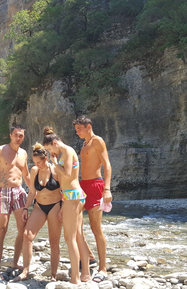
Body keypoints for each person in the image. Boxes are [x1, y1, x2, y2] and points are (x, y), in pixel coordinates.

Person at [43, 127, 91, 284]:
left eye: (50, 148)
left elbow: (68, 173)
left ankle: (75, 278)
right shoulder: (64, 153)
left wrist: (55, 163)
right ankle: (86, 274)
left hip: (72, 196)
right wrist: (55, 164)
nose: (51, 152)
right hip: (72, 195)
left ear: (55, 143)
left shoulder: (68, 151)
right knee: (78, 236)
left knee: (69, 238)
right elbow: (61, 176)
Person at [0, 124, 30, 278]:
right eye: (16, 135)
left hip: (19, 192)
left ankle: (15, 262)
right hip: (2, 192)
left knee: (23, 229)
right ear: (10, 135)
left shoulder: (23, 153)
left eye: (21, 135)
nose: (18, 138)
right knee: (1, 230)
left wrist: (36, 192)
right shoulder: (0, 150)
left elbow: (26, 175)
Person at [13, 143, 63, 282]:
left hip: (55, 206)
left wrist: (63, 208)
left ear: (45, 159)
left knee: (54, 242)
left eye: (39, 162)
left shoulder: (56, 170)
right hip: (39, 206)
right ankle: (25, 271)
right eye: (34, 162)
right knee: (27, 236)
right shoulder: (34, 170)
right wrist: (25, 208)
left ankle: (53, 275)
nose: (37, 165)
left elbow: (65, 191)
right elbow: (32, 192)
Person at [73, 115, 112, 283]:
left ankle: (103, 268)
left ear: (89, 126)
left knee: (96, 228)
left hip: (96, 186)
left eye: (79, 129)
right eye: (76, 130)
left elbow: (107, 165)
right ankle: (89, 256)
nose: (77, 133)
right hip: (82, 186)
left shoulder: (98, 141)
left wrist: (107, 189)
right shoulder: (84, 144)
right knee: (73, 222)